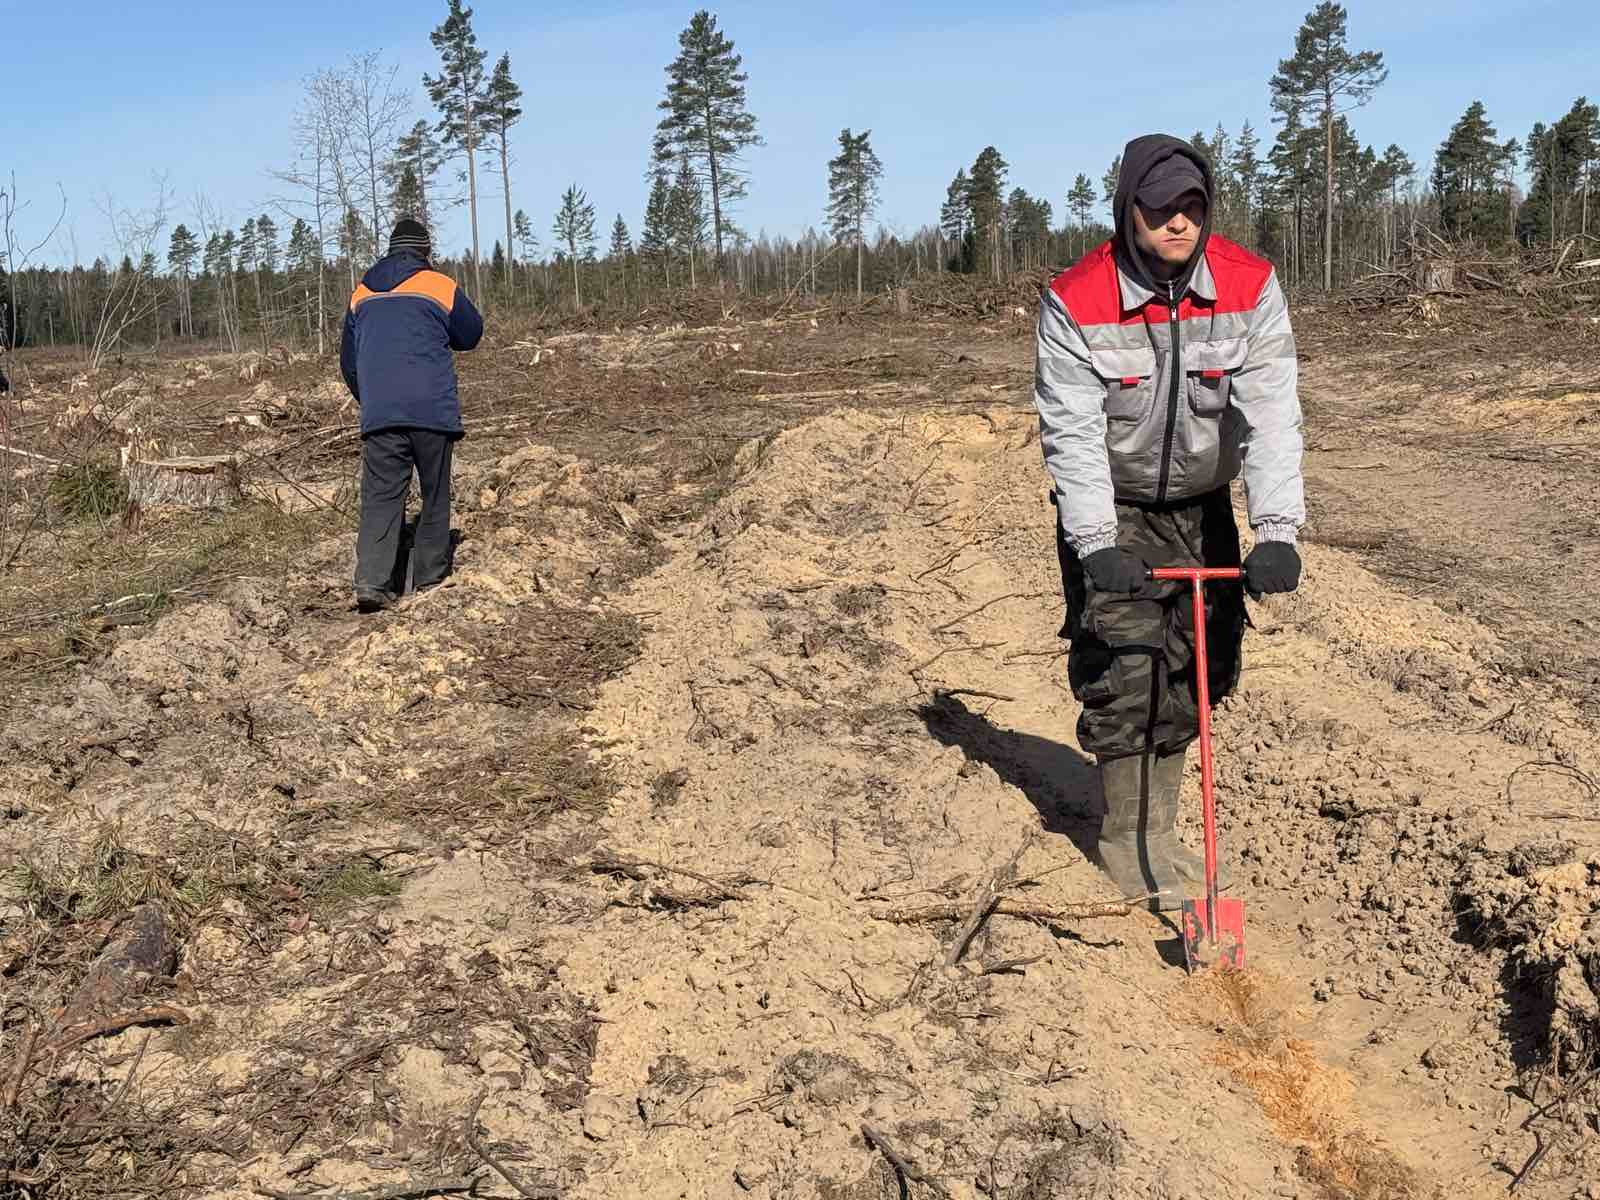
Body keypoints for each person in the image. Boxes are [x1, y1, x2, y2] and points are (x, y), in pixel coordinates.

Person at [1033, 134, 1305, 910]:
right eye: (1160, 209)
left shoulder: (1250, 284)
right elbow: (1072, 430)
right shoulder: (1078, 298)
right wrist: (1096, 542)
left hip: (1202, 503)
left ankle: (1163, 831)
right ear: (1129, 211)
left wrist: (1278, 529)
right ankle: (1127, 839)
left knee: (1197, 664)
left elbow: (1272, 415)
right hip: (1117, 505)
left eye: (1192, 206)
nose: (1178, 222)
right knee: (1127, 667)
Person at [340, 218, 483, 613]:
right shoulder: (438, 285)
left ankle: (372, 582)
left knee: (380, 497)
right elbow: (471, 334)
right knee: (435, 495)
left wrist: (373, 399)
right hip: (432, 410)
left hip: (381, 415)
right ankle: (428, 580)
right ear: (425, 251)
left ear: (390, 251)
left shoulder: (361, 293)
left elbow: (348, 362)